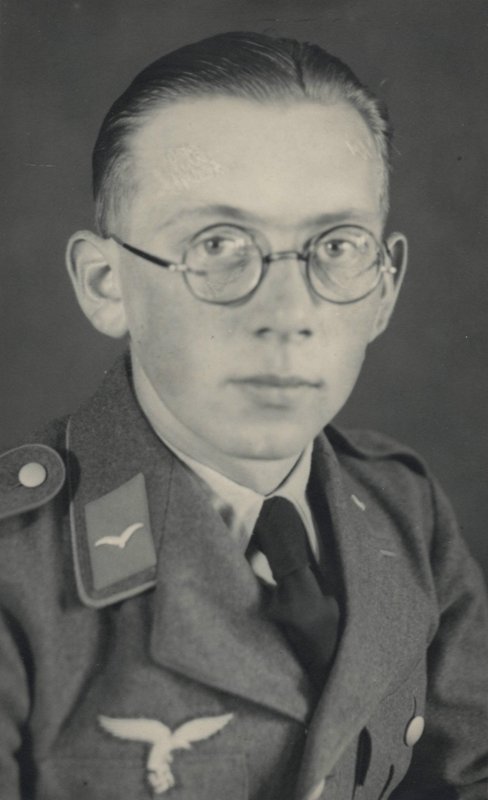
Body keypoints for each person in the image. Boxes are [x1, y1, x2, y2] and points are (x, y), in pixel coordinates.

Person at [0, 31, 487, 800]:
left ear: (385, 288)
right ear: (105, 284)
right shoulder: (16, 571)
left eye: (336, 245)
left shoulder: (406, 510)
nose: (288, 314)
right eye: (218, 243)